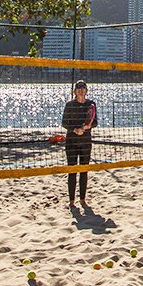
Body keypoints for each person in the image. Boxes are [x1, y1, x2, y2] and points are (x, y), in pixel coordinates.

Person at [60, 80, 97, 208]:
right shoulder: (69, 105)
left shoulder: (91, 104)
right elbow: (64, 123)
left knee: (84, 171)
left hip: (86, 141)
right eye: (78, 88)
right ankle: (71, 201)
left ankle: (82, 199)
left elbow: (95, 122)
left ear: (86, 90)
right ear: (75, 91)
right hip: (71, 142)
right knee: (72, 171)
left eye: (83, 88)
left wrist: (86, 127)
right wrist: (74, 129)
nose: (81, 90)